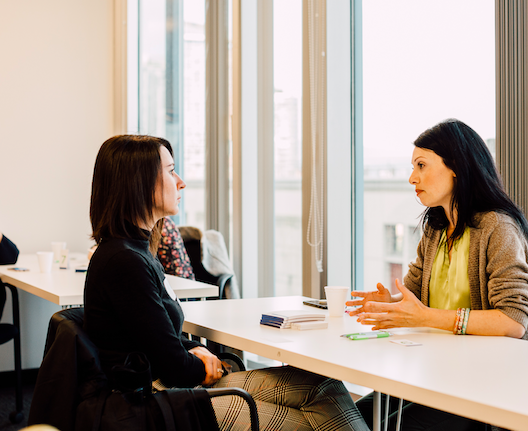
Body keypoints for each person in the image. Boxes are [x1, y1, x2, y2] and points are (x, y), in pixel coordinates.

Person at [84, 135, 369, 431]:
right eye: (170, 171)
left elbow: (155, 339)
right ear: (138, 183)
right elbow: (174, 368)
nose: (180, 182)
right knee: (310, 423)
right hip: (158, 401)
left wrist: (198, 353)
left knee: (324, 386)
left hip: (169, 385)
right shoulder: (125, 261)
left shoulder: (134, 251)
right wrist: (211, 363)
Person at [347, 119, 528, 431]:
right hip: (436, 375)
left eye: (422, 165)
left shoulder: (499, 228)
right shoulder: (436, 226)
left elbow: (513, 322)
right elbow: (414, 290)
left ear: (455, 166)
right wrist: (392, 301)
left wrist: (425, 317)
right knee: (350, 418)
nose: (413, 178)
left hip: (489, 386)